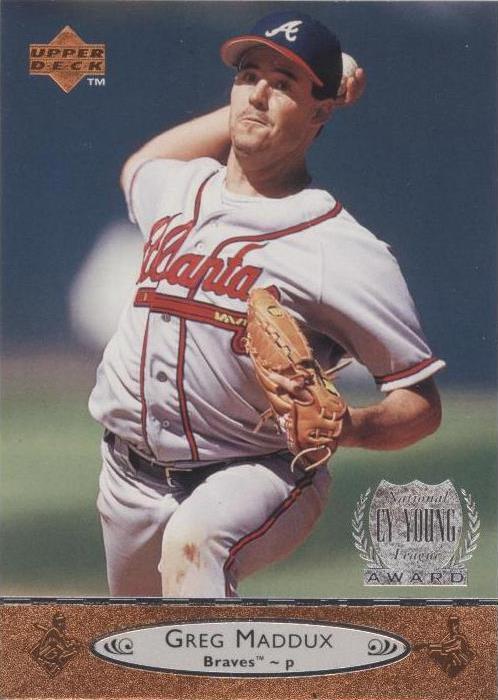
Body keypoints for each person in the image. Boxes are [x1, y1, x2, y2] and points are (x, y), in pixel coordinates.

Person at [89, 10, 444, 597]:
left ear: (321, 113)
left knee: (195, 544)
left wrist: (351, 426)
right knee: (135, 643)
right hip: (128, 479)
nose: (257, 94)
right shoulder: (178, 188)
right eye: (247, 76)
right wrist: (265, 102)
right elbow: (140, 164)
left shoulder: (341, 248)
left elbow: (421, 405)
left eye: (283, 85)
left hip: (254, 469)